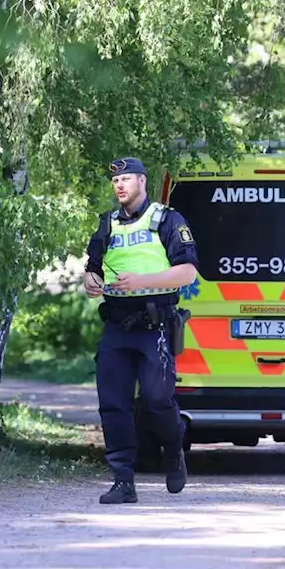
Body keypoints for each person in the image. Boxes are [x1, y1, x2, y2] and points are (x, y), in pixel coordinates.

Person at [82, 157, 199, 504]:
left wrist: (142, 283)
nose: (119, 185)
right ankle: (123, 479)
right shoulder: (107, 224)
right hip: (118, 325)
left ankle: (174, 448)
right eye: (115, 180)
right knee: (113, 404)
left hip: (155, 326)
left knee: (157, 401)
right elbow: (93, 267)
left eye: (126, 179)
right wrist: (91, 281)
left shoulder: (166, 220)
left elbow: (188, 273)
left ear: (142, 182)